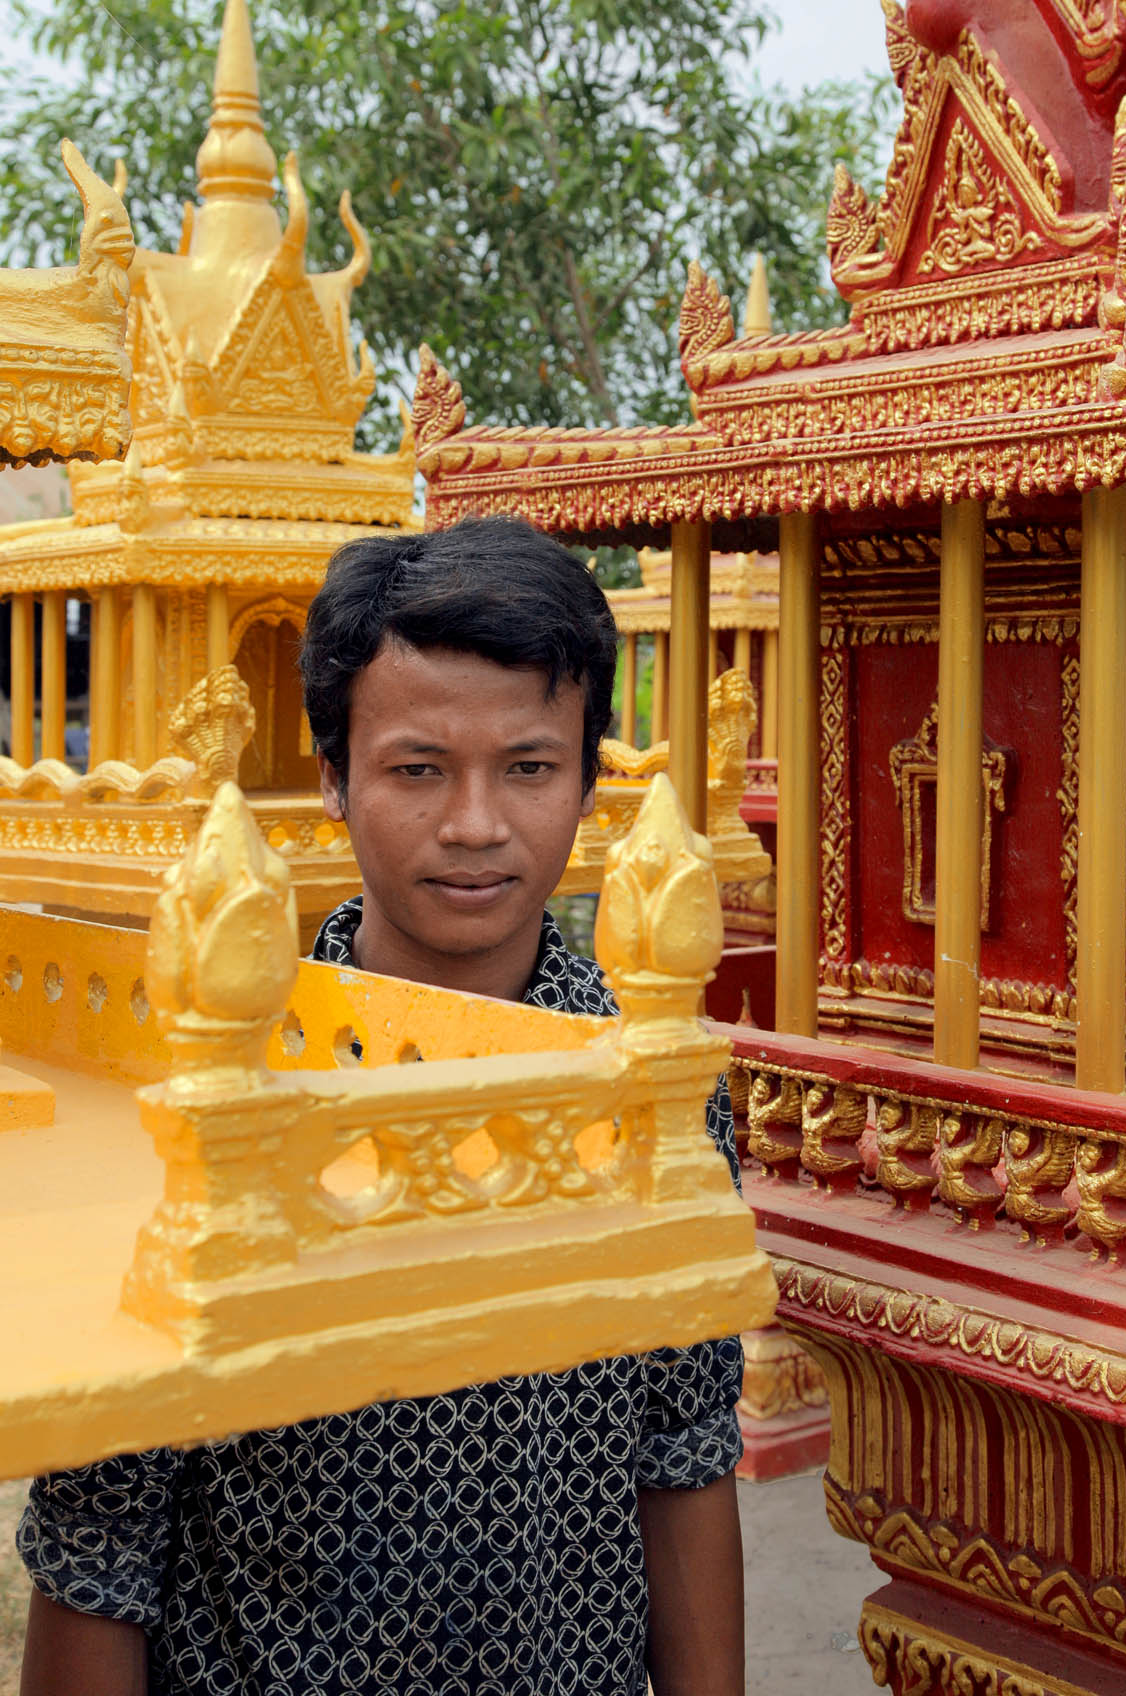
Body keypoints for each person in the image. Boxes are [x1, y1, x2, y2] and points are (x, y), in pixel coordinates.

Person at [17, 516, 746, 1696]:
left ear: (589, 778)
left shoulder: (654, 1084)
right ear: (334, 782)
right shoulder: (207, 1100)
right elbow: (101, 1554)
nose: (475, 823)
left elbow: (684, 1454)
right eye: (417, 768)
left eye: (528, 765)